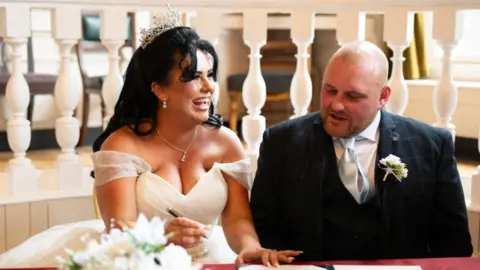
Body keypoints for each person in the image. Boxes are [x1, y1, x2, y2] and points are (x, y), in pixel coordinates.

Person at [0, 7, 301, 268]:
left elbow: (237, 220)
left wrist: (249, 246)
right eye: (194, 77)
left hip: (212, 258)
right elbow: (118, 230)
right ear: (159, 89)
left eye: (210, 75)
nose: (209, 87)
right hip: (140, 261)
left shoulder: (226, 142)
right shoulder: (122, 146)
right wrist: (162, 237)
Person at [250, 40, 473, 262]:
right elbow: (263, 230)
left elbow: (454, 243)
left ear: (383, 97)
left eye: (353, 96)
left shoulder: (431, 146)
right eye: (330, 90)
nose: (336, 105)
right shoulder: (280, 142)